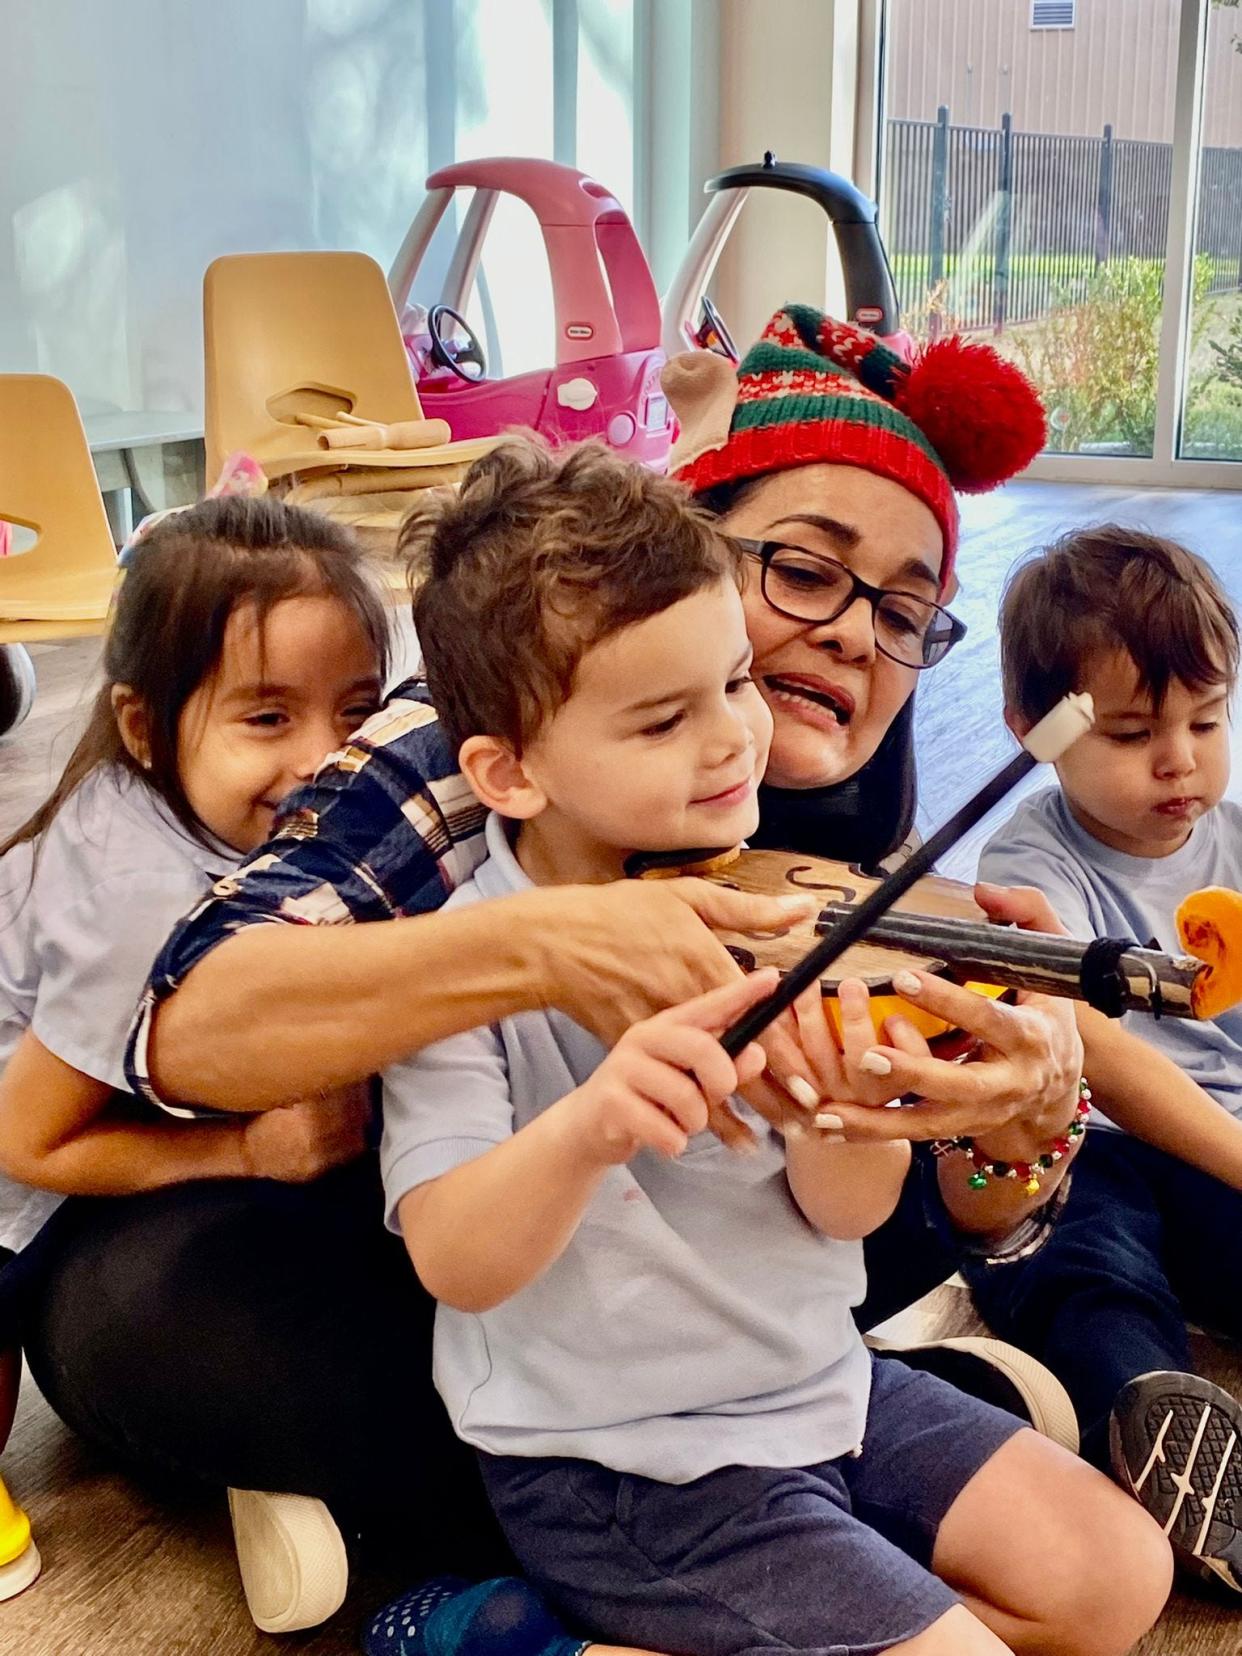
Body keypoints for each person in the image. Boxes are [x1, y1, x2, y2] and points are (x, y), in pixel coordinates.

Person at [15, 307, 1232, 1624]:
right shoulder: (482, 733)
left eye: (901, 609)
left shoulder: (799, 760)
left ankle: (800, 1493)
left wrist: (1021, 1108)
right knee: (205, 1318)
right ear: (705, 538)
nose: (847, 637)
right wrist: (544, 949)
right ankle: (517, 1586)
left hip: (736, 1330)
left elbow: (873, 1184)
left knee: (926, 1231)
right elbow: (195, 1024)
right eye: (808, 572)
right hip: (425, 1268)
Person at [374, 434, 1171, 1656]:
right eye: (662, 720)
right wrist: (594, 1125)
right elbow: (455, 1261)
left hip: (822, 1393)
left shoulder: (785, 912)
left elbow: (841, 1217)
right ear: (510, 771)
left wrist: (846, 1115)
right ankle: (524, 1639)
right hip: (625, 1467)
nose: (733, 739)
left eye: (736, 683)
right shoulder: (470, 956)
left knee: (1119, 1579)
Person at [0, 495, 388, 1626]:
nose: (326, 759)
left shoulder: (262, 829)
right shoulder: (137, 900)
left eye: (355, 712)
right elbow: (29, 1140)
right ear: (144, 725)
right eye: (267, 719)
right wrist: (240, 1149)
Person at [964, 527, 1242, 1596]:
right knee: (1084, 1263)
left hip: (1220, 1144)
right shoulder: (1028, 862)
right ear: (1034, 734)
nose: (1180, 760)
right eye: (1132, 733)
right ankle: (1154, 1414)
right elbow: (1095, 1052)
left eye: (1207, 722)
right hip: (1102, 1139)